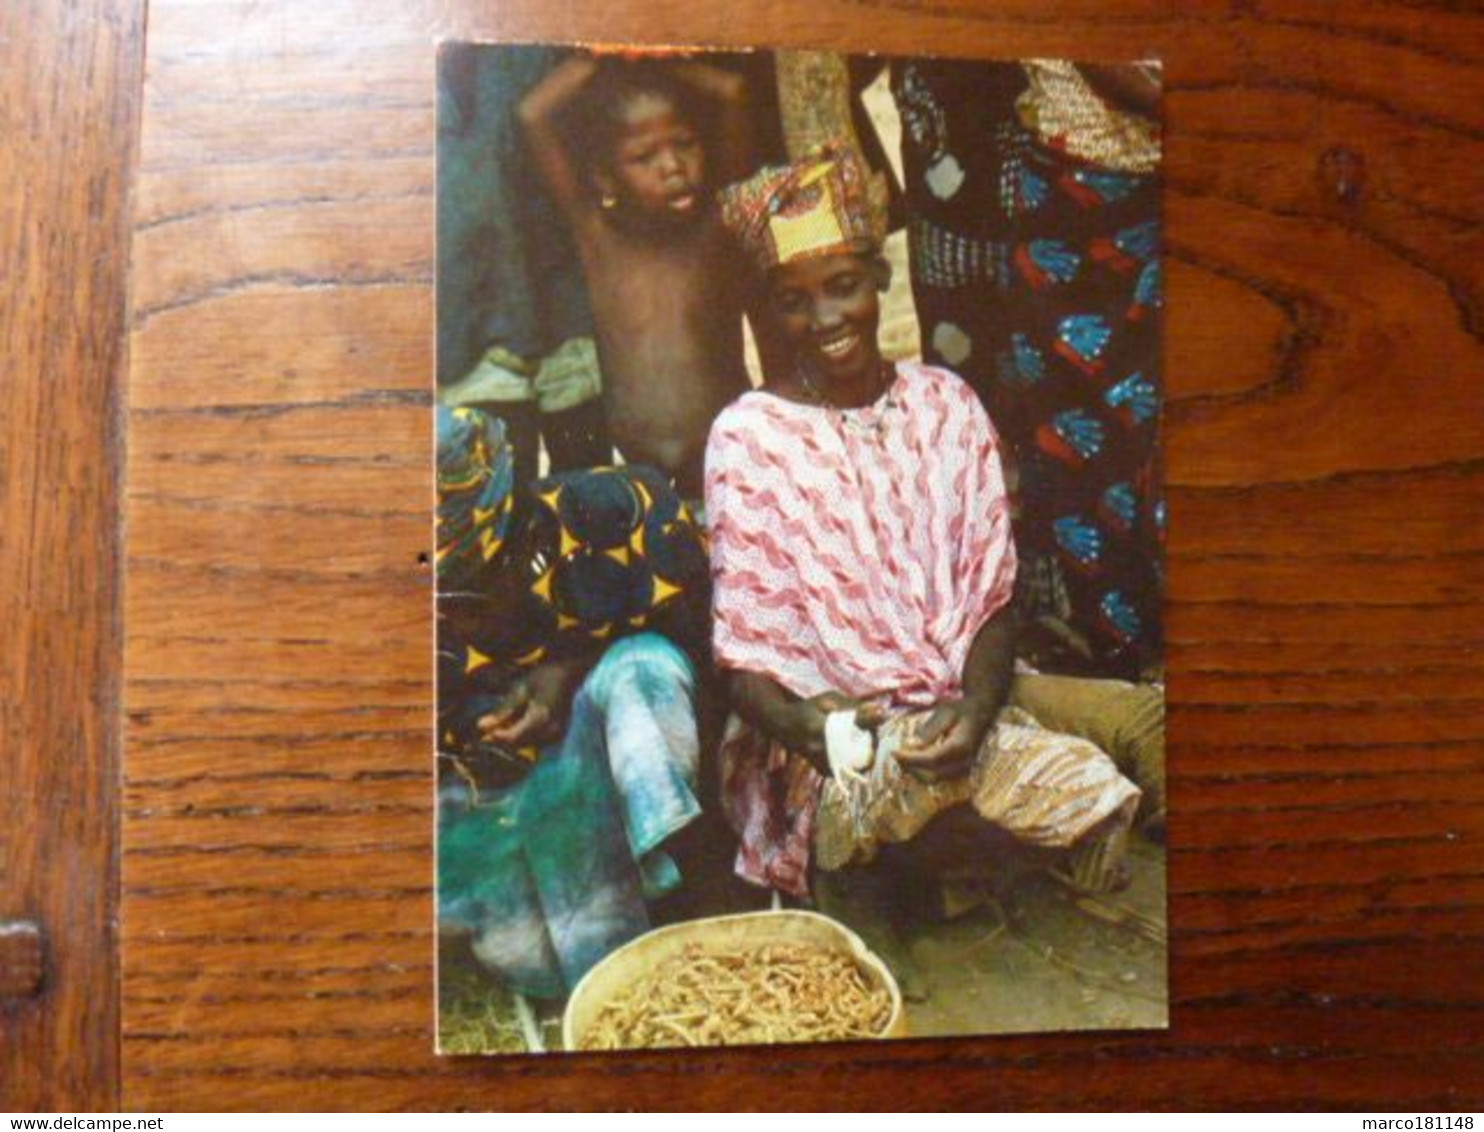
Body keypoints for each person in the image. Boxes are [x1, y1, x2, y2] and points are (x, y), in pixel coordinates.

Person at [704, 145, 1141, 904]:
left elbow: (990, 597)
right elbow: (749, 662)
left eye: (843, 287)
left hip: (963, 695)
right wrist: (825, 734)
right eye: (793, 301)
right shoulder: (749, 436)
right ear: (767, 309)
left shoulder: (943, 403)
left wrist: (975, 710)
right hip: (831, 740)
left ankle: (983, 841)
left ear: (880, 279)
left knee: (1141, 737)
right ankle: (948, 861)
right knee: (928, 813)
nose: (826, 320)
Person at [889, 59, 1165, 679]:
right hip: (1070, 204)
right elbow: (1118, 69)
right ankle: (1115, 653)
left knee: (1150, 438)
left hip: (1148, 195)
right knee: (1074, 445)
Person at [435, 405, 710, 999]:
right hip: (517, 802)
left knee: (645, 675)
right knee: (539, 963)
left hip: (616, 723)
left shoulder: (611, 512)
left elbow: (708, 643)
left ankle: (670, 859)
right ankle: (618, 910)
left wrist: (571, 670)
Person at [519, 51, 756, 499]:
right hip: (639, 482)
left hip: (725, 467)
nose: (672, 166)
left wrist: (655, 53)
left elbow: (733, 93)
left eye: (685, 143)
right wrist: (605, 50)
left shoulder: (715, 231)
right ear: (605, 181)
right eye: (644, 156)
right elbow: (533, 116)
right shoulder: (599, 241)